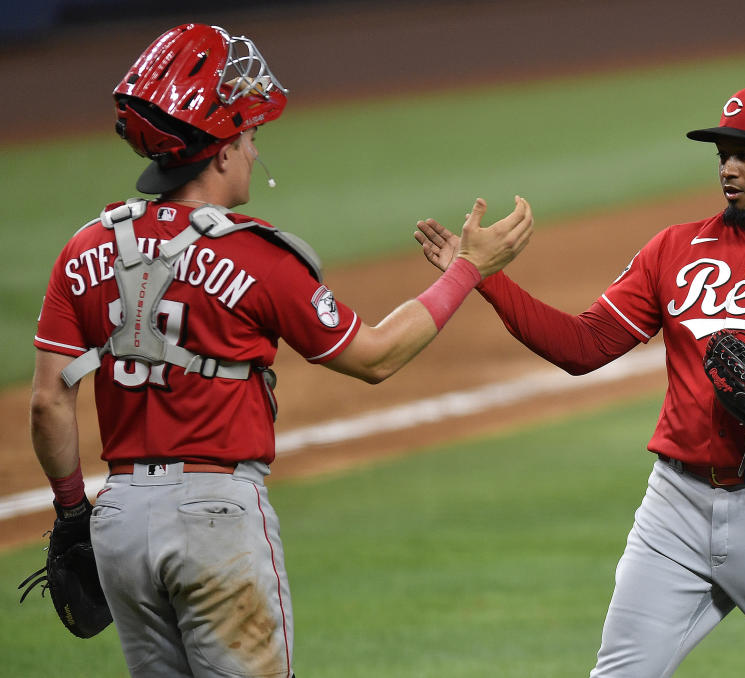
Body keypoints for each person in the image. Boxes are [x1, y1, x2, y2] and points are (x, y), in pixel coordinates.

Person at [30, 23, 532, 678]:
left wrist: (73, 513)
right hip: (215, 524)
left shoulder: (85, 248)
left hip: (119, 524)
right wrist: (466, 270)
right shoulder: (257, 255)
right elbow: (376, 356)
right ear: (217, 153)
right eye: (248, 137)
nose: (252, 149)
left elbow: (47, 403)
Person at [416, 85, 745, 676]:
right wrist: (482, 276)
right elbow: (585, 346)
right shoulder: (677, 249)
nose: (727, 168)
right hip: (674, 508)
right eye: (721, 154)